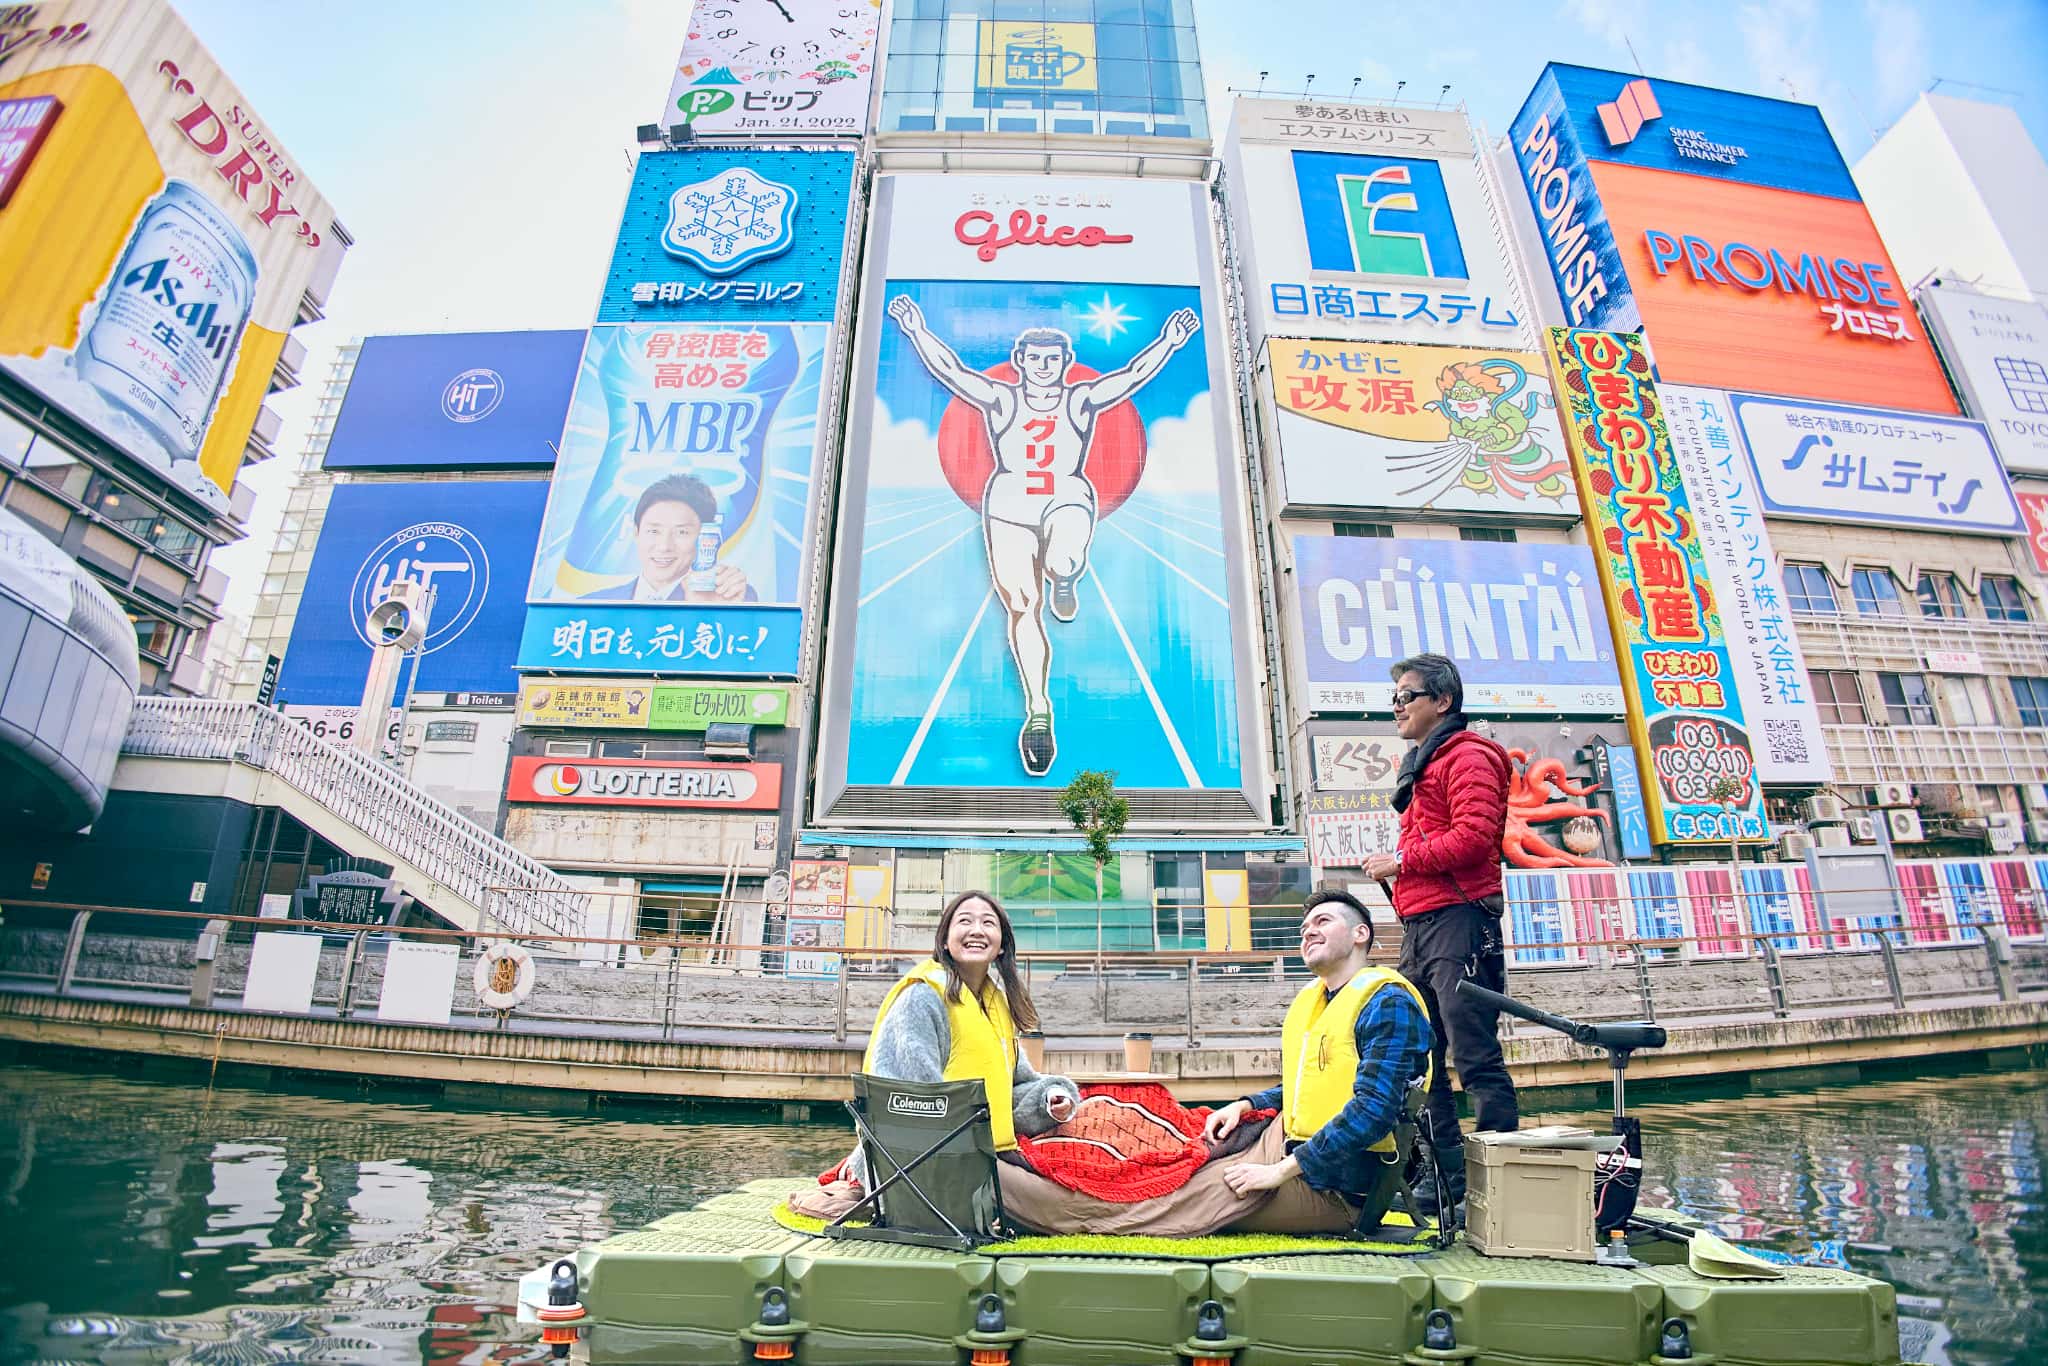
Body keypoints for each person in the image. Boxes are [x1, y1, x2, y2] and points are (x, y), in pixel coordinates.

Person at [884, 295, 1199, 776]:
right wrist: (915, 329)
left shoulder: (1080, 399)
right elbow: (950, 370)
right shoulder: (1001, 398)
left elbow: (1132, 375)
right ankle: (1038, 709)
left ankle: (1066, 575)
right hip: (1009, 502)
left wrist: (1169, 343)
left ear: (1066, 363)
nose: (1045, 366)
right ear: (1021, 362)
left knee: (1063, 560)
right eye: (1036, 359)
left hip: (1066, 494)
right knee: (1022, 605)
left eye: (1054, 359)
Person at [993, 891, 1432, 1237]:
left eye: (1322, 922)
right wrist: (1244, 1104)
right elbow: (1312, 1087)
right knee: (1136, 1130)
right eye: (1303, 927)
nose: (1307, 932)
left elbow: (1372, 1114)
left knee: (1151, 1199)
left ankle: (1007, 1187)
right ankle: (1018, 1152)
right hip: (1279, 1142)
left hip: (1330, 1184)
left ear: (1360, 935)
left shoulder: (1386, 1004)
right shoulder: (1323, 1001)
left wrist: (1276, 1172)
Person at [788, 891, 1079, 1219]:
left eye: (988, 923)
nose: (977, 930)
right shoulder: (922, 998)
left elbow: (1013, 1087)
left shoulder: (995, 1004)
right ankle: (865, 1188)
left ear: (1001, 945)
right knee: (1073, 1206)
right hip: (937, 1165)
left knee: (1081, 1169)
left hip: (987, 1154)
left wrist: (1052, 1098)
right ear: (944, 940)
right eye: (964, 921)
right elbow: (901, 1100)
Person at [1363, 651, 1517, 1214]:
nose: (1397, 706)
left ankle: (1501, 1179)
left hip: (1460, 918)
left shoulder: (1470, 756)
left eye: (1407, 695)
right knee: (1420, 1056)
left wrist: (1400, 861)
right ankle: (1444, 1176)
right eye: (1395, 698)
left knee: (1474, 1053)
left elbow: (1476, 839)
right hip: (1424, 924)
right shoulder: (1428, 761)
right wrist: (1401, 866)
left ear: (1443, 701)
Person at [581, 473, 755, 603]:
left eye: (681, 532)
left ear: (704, 538)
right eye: (654, 531)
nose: (664, 546)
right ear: (636, 533)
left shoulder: (729, 596)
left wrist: (710, 613)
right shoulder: (590, 605)